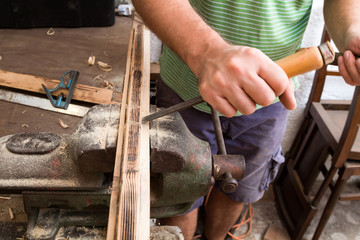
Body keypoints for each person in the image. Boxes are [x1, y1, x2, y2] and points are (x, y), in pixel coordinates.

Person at [132, 1, 360, 239]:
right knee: (179, 190)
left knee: (239, 188)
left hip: (270, 100)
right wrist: (206, 52)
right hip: (186, 88)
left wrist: (351, 31)